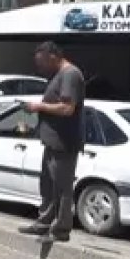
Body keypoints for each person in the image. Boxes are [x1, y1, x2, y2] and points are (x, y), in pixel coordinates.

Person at [20, 41, 86, 242]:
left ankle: (60, 230)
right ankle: (44, 223)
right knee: (48, 186)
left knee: (61, 188)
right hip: (52, 141)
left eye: (42, 63)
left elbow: (67, 108)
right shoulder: (58, 75)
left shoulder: (70, 74)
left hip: (64, 142)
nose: (40, 67)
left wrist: (38, 106)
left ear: (53, 57)